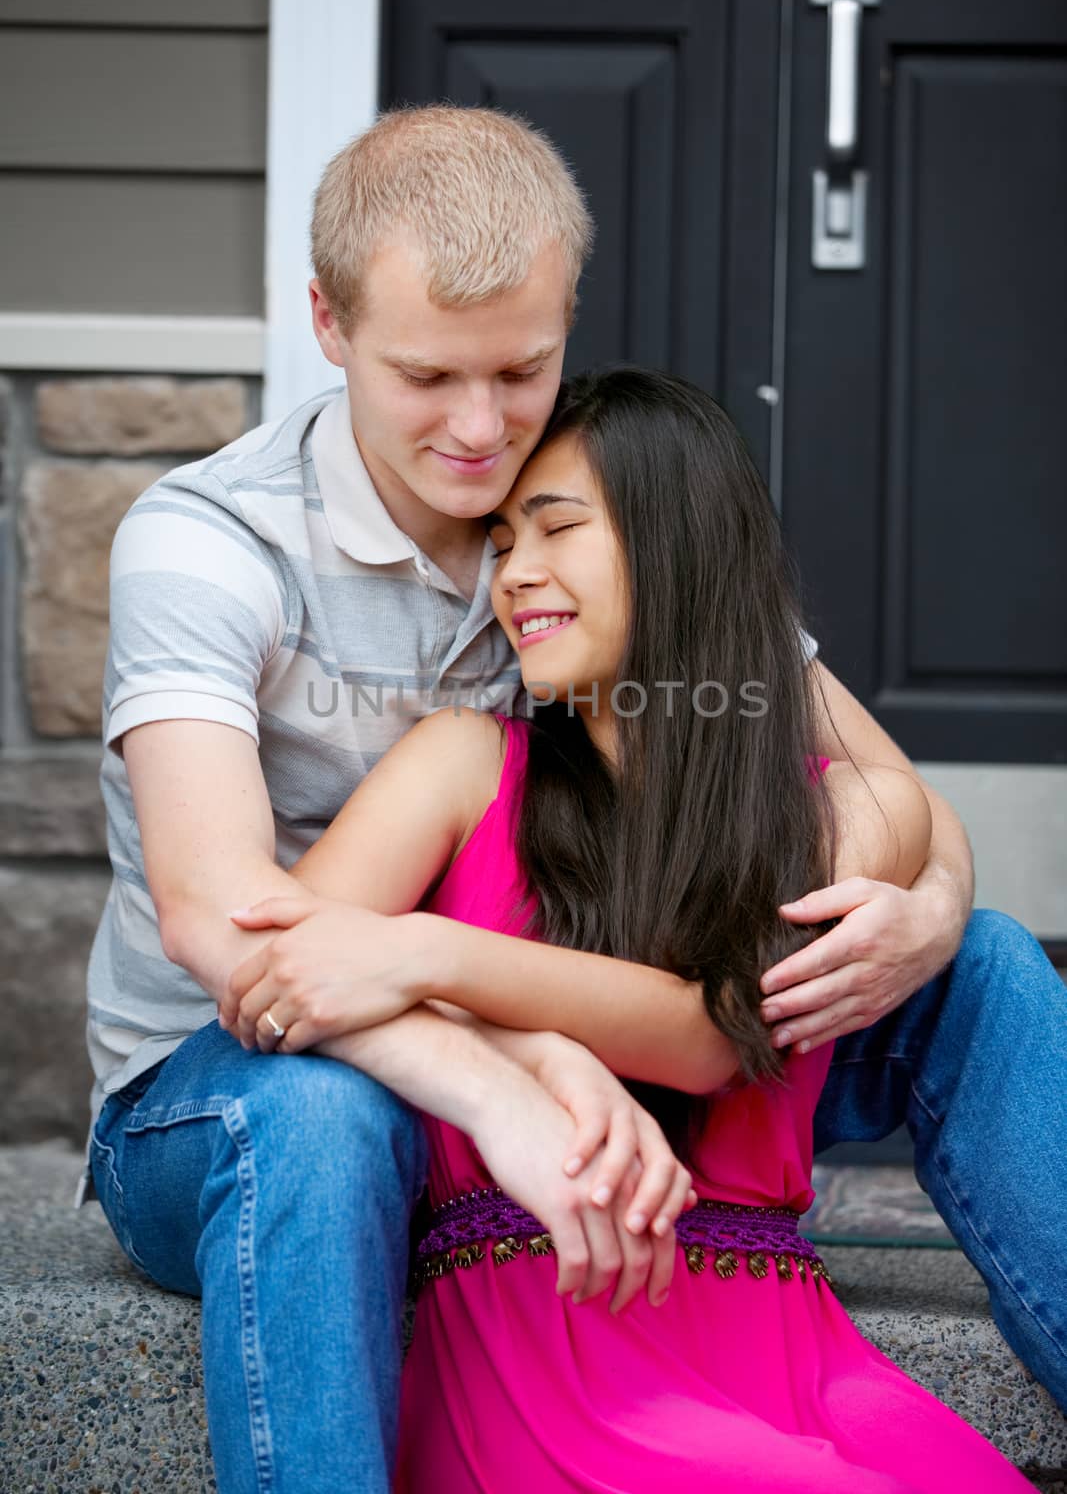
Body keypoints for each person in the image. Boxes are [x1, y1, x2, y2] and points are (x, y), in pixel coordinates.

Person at [82, 106, 1067, 1494]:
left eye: (520, 369)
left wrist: (928, 905)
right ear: (325, 320)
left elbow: (870, 779)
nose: (479, 431)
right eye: (426, 375)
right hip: (243, 1086)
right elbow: (230, 929)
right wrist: (509, 1081)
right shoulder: (210, 546)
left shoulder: (594, 518)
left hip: (621, 1039)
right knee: (321, 1116)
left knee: (985, 972)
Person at [219, 367, 1034, 1490]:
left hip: (788, 1355)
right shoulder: (461, 763)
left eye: (555, 528)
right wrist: (503, 1035)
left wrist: (424, 952)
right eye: (501, 543)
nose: (516, 575)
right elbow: (274, 966)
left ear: (679, 544)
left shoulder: (857, 808)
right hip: (545, 1340)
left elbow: (714, 1033)